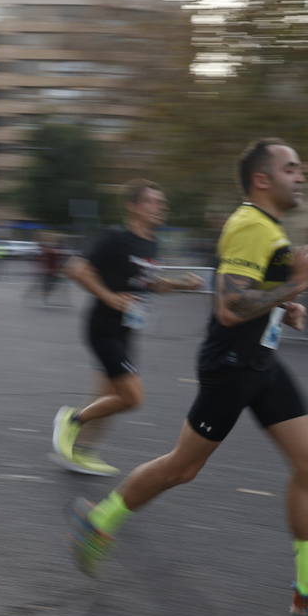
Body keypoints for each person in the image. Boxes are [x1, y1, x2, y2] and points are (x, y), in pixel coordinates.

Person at [68, 140, 308, 616]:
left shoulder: (267, 226)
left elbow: (253, 292)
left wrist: (284, 302)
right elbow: (230, 308)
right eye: (291, 168)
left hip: (262, 362)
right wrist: (297, 286)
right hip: (231, 365)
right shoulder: (251, 224)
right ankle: (99, 520)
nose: (302, 176)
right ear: (262, 179)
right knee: (181, 469)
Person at [51, 180, 203, 476]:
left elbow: (150, 284)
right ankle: (72, 420)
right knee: (132, 397)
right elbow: (75, 269)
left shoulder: (150, 243)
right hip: (103, 327)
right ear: (134, 206)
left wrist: (184, 284)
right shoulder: (115, 238)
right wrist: (108, 296)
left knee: (106, 397)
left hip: (126, 329)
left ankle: (80, 452)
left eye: (162, 203)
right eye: (153, 202)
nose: (161, 207)